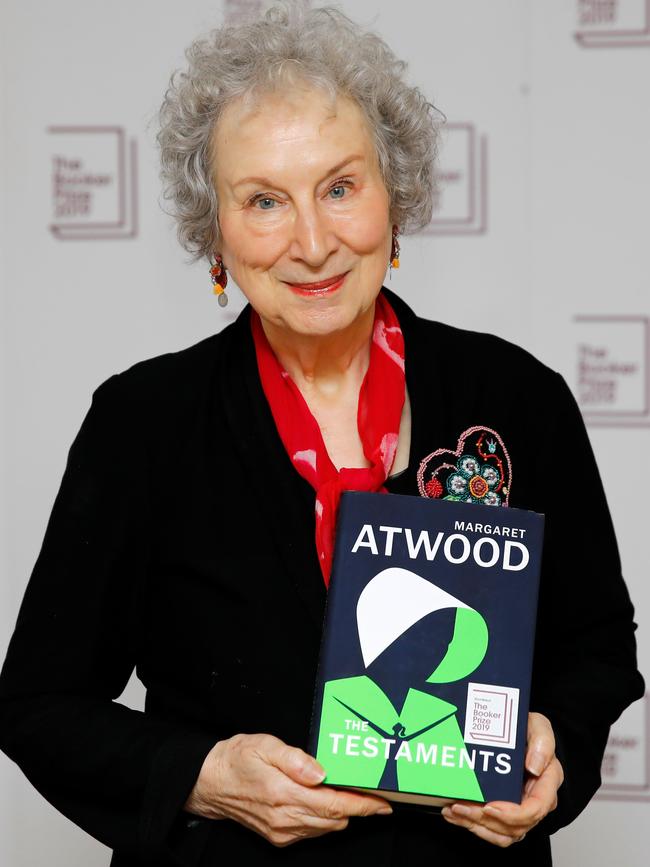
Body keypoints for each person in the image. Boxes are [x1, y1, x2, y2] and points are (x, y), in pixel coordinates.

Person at [0, 3, 644, 866]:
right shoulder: (144, 422)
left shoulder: (518, 396)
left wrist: (553, 745)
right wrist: (201, 771)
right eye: (265, 200)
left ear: (395, 195)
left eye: (340, 188)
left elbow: (595, 646)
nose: (312, 243)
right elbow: (37, 702)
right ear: (216, 230)